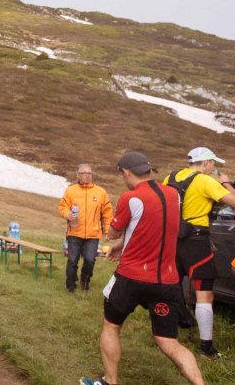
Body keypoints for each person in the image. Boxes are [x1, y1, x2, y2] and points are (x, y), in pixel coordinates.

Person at [79, 151, 203, 385]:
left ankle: (110, 381)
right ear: (148, 170)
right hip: (167, 281)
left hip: (131, 277)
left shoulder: (130, 197)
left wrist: (117, 239)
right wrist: (123, 244)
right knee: (168, 342)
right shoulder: (174, 195)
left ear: (126, 173)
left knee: (111, 326)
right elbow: (154, 227)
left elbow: (114, 231)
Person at [163, 146, 235, 359]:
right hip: (196, 242)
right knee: (204, 292)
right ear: (205, 163)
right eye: (212, 164)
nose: (213, 168)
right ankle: (205, 347)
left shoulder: (170, 177)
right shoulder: (206, 181)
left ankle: (167, 337)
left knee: (170, 287)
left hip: (171, 239)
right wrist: (226, 184)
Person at [58, 164, 113, 293]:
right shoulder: (71, 191)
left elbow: (107, 213)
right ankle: (70, 285)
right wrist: (67, 214)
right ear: (78, 175)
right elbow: (62, 207)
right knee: (72, 260)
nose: (87, 175)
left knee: (90, 260)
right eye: (84, 173)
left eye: (89, 173)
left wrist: (107, 231)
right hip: (74, 232)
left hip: (93, 235)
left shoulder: (101, 192)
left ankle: (85, 280)